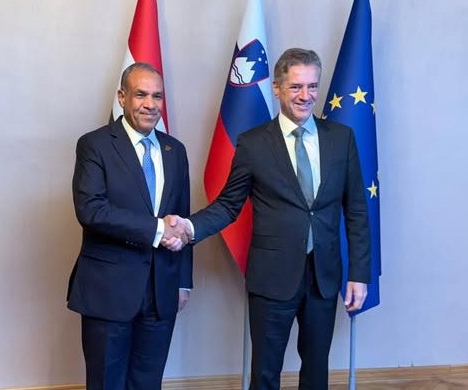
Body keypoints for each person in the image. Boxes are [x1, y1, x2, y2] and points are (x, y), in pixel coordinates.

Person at [165, 48, 371, 390]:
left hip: (323, 276)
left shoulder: (341, 139)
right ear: (277, 88)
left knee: (317, 370)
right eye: (296, 87)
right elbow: (228, 205)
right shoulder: (253, 144)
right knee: (264, 372)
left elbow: (357, 210)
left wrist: (359, 274)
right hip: (272, 278)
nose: (305, 96)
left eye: (312, 86)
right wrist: (188, 227)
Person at [67, 62, 192, 390]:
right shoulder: (94, 145)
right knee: (106, 383)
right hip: (109, 291)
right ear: (122, 97)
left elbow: (182, 218)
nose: (150, 104)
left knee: (148, 383)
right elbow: (91, 210)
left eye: (157, 96)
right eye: (141, 95)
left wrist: (183, 282)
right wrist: (158, 230)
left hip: (161, 291)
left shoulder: (175, 151)